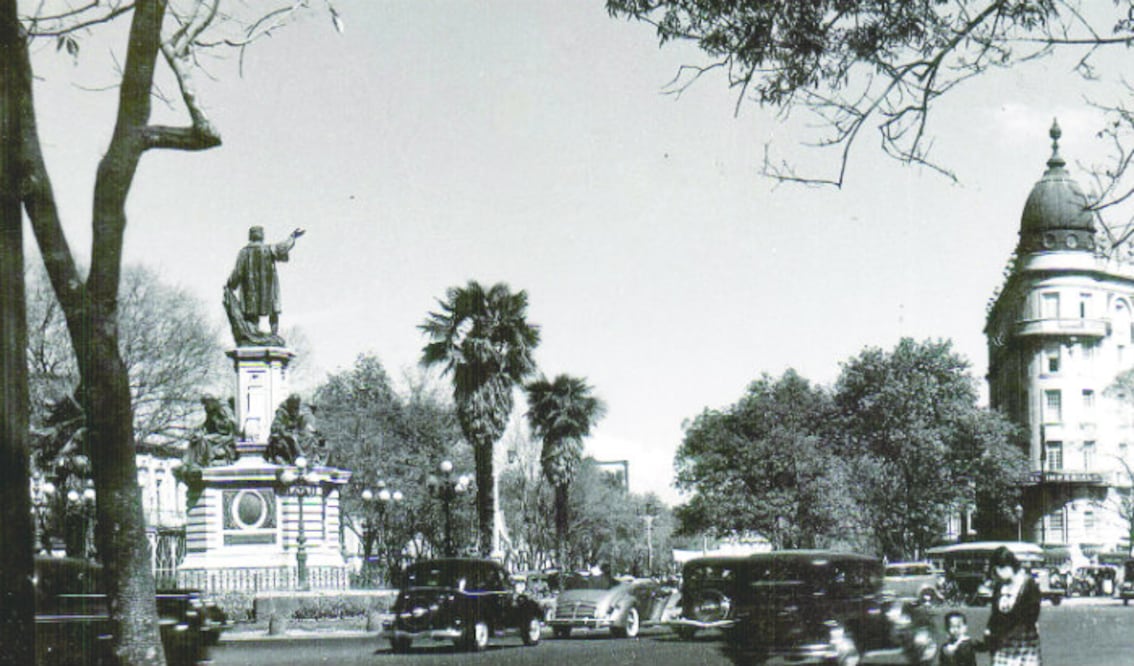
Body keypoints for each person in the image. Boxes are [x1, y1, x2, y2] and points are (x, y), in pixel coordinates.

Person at [226, 226, 304, 338]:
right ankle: (273, 334)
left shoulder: (244, 252)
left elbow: (237, 273)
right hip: (268, 291)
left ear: (250, 236)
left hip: (250, 293)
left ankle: (253, 334)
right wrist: (293, 237)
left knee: (251, 314)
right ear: (262, 236)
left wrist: (230, 285)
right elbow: (284, 247)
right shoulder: (269, 249)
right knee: (273, 311)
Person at [977, 546, 1042, 666]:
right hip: (1002, 643)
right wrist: (989, 631)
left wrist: (1007, 628)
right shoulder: (1000, 586)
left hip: (1024, 642)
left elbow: (1032, 615)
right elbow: (995, 613)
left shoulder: (1028, 585)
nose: (996, 576)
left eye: (997, 571)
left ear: (1006, 566)